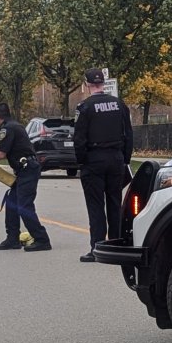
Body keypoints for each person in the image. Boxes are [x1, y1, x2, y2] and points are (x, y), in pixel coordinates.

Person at [0, 103, 52, 253]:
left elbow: (1, 154)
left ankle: (42, 239)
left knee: (24, 205)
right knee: (12, 203)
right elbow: (4, 150)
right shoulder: (14, 125)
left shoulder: (6, 128)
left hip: (27, 169)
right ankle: (12, 238)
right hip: (26, 169)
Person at [73, 68, 132, 262]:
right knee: (115, 202)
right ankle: (116, 244)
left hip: (94, 159)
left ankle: (98, 247)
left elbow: (79, 138)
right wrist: (125, 159)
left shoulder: (85, 107)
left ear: (87, 84)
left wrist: (81, 162)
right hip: (115, 158)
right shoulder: (119, 104)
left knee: (95, 205)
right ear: (103, 82)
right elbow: (128, 134)